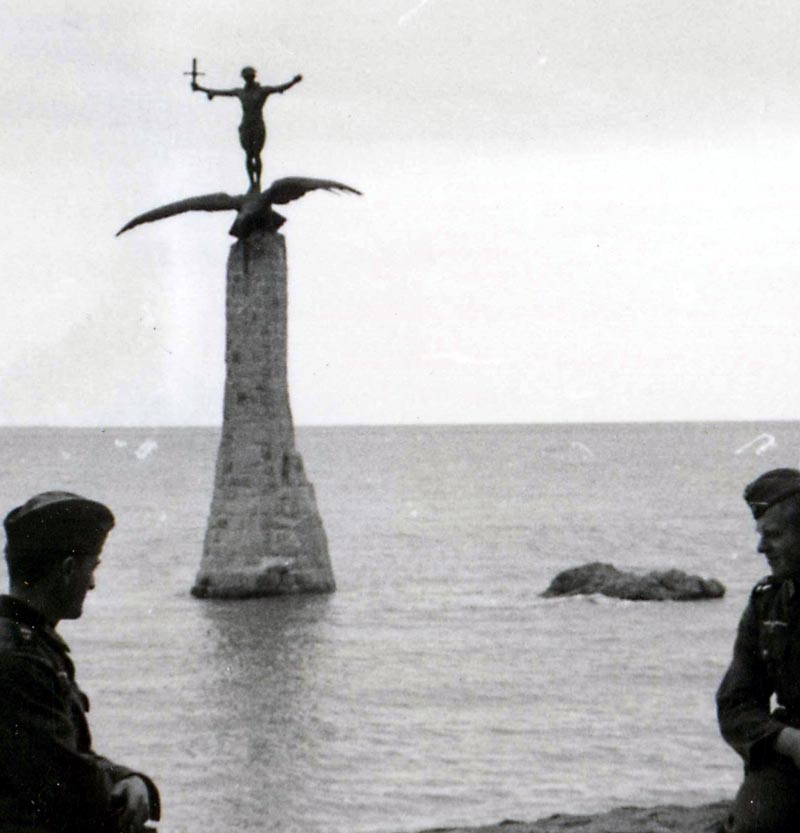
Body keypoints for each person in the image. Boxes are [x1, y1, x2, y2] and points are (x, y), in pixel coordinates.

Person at [0, 491, 161, 833]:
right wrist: (132, 783)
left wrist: (125, 777)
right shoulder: (18, 659)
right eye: (91, 569)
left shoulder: (28, 643)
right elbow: (72, 789)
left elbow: (67, 757)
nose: (92, 584)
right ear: (68, 569)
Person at [717, 468, 800, 833]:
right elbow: (735, 704)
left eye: (774, 535)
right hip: (793, 754)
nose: (761, 548)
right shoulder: (767, 603)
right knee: (754, 822)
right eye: (760, 535)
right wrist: (788, 741)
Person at [192, 66, 303, 189]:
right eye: (246, 77)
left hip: (257, 125)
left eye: (250, 76)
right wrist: (200, 89)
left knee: (256, 154)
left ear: (253, 77)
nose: (248, 79)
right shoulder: (241, 92)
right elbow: (221, 92)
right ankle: (252, 183)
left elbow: (279, 88)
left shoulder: (262, 91)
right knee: (249, 155)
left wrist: (293, 82)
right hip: (246, 126)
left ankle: (258, 182)